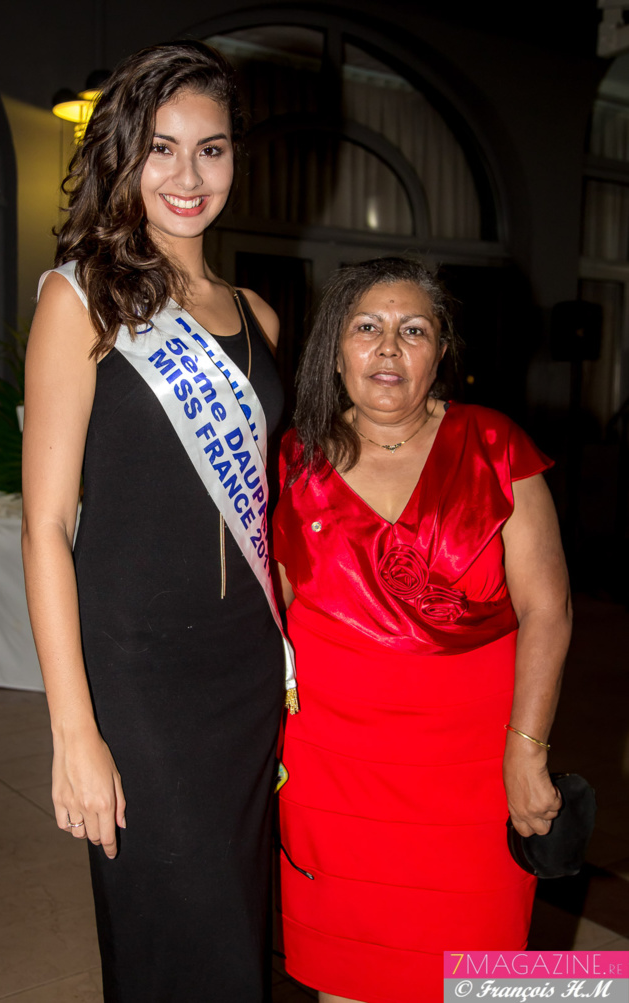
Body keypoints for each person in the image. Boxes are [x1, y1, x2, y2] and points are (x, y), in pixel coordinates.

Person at [21, 41, 296, 1003]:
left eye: (212, 150)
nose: (188, 176)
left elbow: (272, 509)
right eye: (162, 148)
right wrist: (73, 730)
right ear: (125, 156)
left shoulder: (259, 318)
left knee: (237, 930)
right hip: (137, 679)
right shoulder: (79, 299)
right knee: (169, 935)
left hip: (246, 671)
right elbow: (47, 525)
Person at [272, 257, 571, 1003]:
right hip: (332, 780)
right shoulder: (292, 460)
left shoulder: (497, 447)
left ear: (441, 352)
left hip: (472, 781)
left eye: (413, 330)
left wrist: (527, 750)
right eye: (366, 327)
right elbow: (269, 617)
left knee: (477, 982)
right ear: (335, 347)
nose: (387, 349)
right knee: (347, 980)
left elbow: (549, 610)